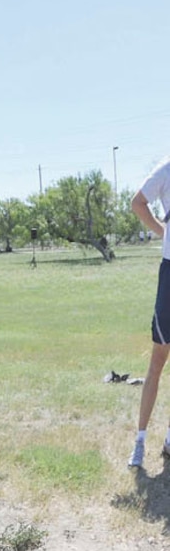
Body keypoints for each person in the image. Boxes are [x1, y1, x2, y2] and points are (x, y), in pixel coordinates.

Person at [128, 156, 170, 468]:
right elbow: (138, 202)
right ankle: (140, 440)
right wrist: (161, 232)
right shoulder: (167, 170)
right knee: (158, 358)